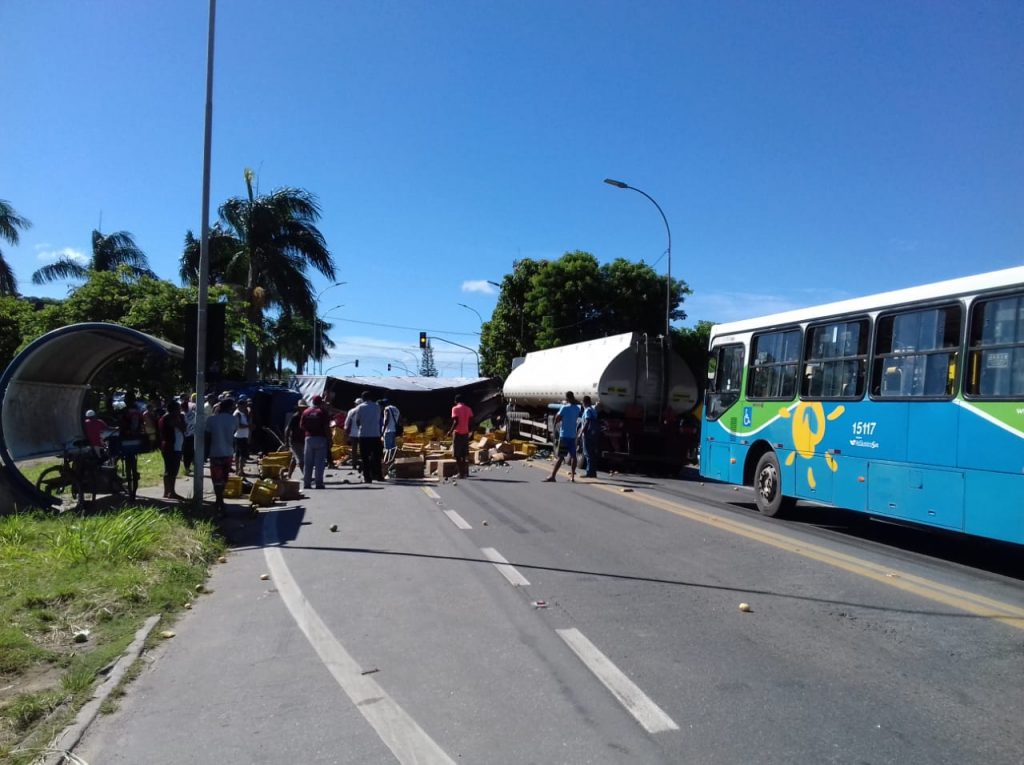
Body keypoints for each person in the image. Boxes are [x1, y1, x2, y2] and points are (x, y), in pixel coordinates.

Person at [206, 397, 237, 513]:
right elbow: (233, 432)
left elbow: (207, 436)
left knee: (216, 480)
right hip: (228, 452)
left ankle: (219, 501)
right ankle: (220, 501)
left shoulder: (211, 420)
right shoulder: (234, 420)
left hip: (215, 453)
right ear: (230, 408)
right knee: (224, 479)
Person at [544, 391, 582, 483]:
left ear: (567, 398)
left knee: (561, 457)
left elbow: (557, 418)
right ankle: (572, 477)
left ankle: (553, 476)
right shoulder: (577, 408)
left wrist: (554, 429)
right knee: (573, 456)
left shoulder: (564, 407)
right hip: (572, 435)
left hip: (564, 435)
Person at [300, 395, 331, 490]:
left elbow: (301, 426)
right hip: (321, 438)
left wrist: (309, 431)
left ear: (312, 402)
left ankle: (307, 483)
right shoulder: (323, 412)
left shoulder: (306, 411)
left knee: (308, 462)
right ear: (321, 402)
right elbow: (326, 427)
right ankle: (319, 483)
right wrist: (329, 439)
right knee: (319, 463)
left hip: (309, 438)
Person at [158, 400, 185, 500]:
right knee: (172, 470)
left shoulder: (165, 418)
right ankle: (172, 492)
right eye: (178, 408)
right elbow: (182, 427)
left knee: (168, 469)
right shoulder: (169, 418)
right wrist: (181, 419)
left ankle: (167, 491)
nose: (180, 410)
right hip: (172, 447)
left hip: (171, 446)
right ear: (174, 410)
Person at [353, 393, 383, 482]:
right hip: (375, 435)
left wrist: (362, 427)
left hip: (364, 435)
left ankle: (367, 477)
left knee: (365, 457)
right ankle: (379, 475)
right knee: (377, 457)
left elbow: (357, 421)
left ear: (363, 398)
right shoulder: (377, 407)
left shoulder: (360, 407)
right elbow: (379, 419)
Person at [449, 393, 473, 479]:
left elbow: (456, 421)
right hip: (465, 433)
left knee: (457, 455)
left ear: (456, 401)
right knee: (464, 454)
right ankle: (464, 472)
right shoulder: (468, 409)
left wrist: (450, 431)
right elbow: (471, 421)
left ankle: (460, 473)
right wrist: (470, 430)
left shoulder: (455, 408)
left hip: (458, 433)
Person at [284, 399, 308, 480]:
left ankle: (289, 475)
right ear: (299, 408)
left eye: (304, 407)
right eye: (302, 407)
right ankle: (306, 476)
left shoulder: (306, 416)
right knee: (300, 460)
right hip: (294, 441)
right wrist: (286, 442)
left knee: (294, 458)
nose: (303, 409)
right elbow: (287, 429)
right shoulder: (295, 417)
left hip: (302, 440)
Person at [580, 395, 600, 479]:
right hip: (594, 434)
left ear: (584, 402)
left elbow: (587, 420)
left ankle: (589, 472)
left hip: (587, 434)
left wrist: (582, 431)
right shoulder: (593, 409)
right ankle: (593, 472)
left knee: (587, 453)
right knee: (592, 453)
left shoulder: (587, 410)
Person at [343, 397, 363, 472]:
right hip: (362, 433)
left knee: (354, 450)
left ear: (355, 404)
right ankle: (362, 464)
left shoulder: (351, 411)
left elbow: (347, 422)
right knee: (363, 449)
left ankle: (354, 464)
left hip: (353, 433)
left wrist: (345, 431)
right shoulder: (364, 411)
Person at [233, 397, 251, 475]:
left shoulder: (243, 413)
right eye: (244, 405)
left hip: (244, 436)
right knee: (241, 454)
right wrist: (248, 426)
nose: (245, 407)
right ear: (240, 405)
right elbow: (238, 425)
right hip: (239, 436)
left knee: (240, 454)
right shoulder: (237, 414)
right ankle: (240, 470)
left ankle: (239, 470)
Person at [182, 394, 197, 476]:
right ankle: (188, 467)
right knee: (190, 452)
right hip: (191, 436)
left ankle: (187, 468)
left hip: (185, 436)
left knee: (186, 453)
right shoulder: (193, 414)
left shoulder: (181, 415)